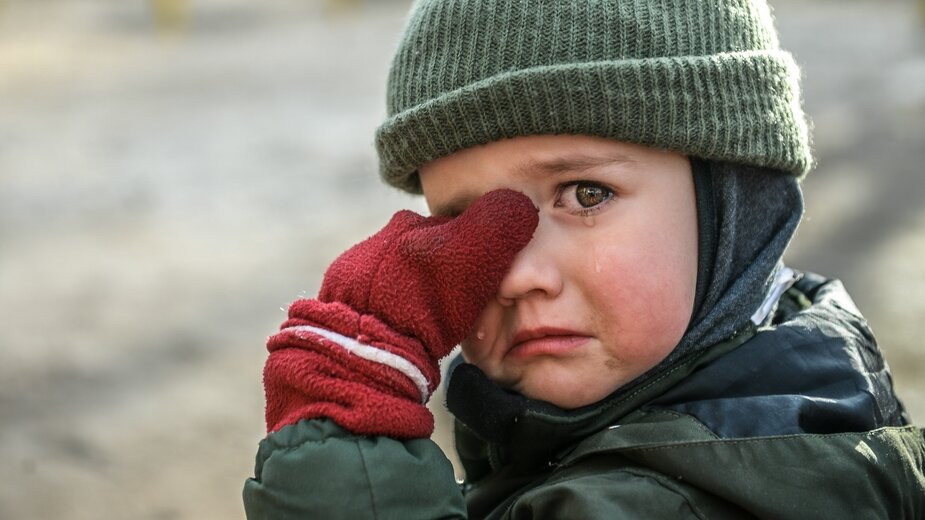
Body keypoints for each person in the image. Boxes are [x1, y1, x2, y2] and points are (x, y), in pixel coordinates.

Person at [243, 1, 925, 518]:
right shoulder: (813, 377)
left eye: (585, 193)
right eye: (459, 223)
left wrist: (342, 456)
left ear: (737, 204)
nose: (512, 274)